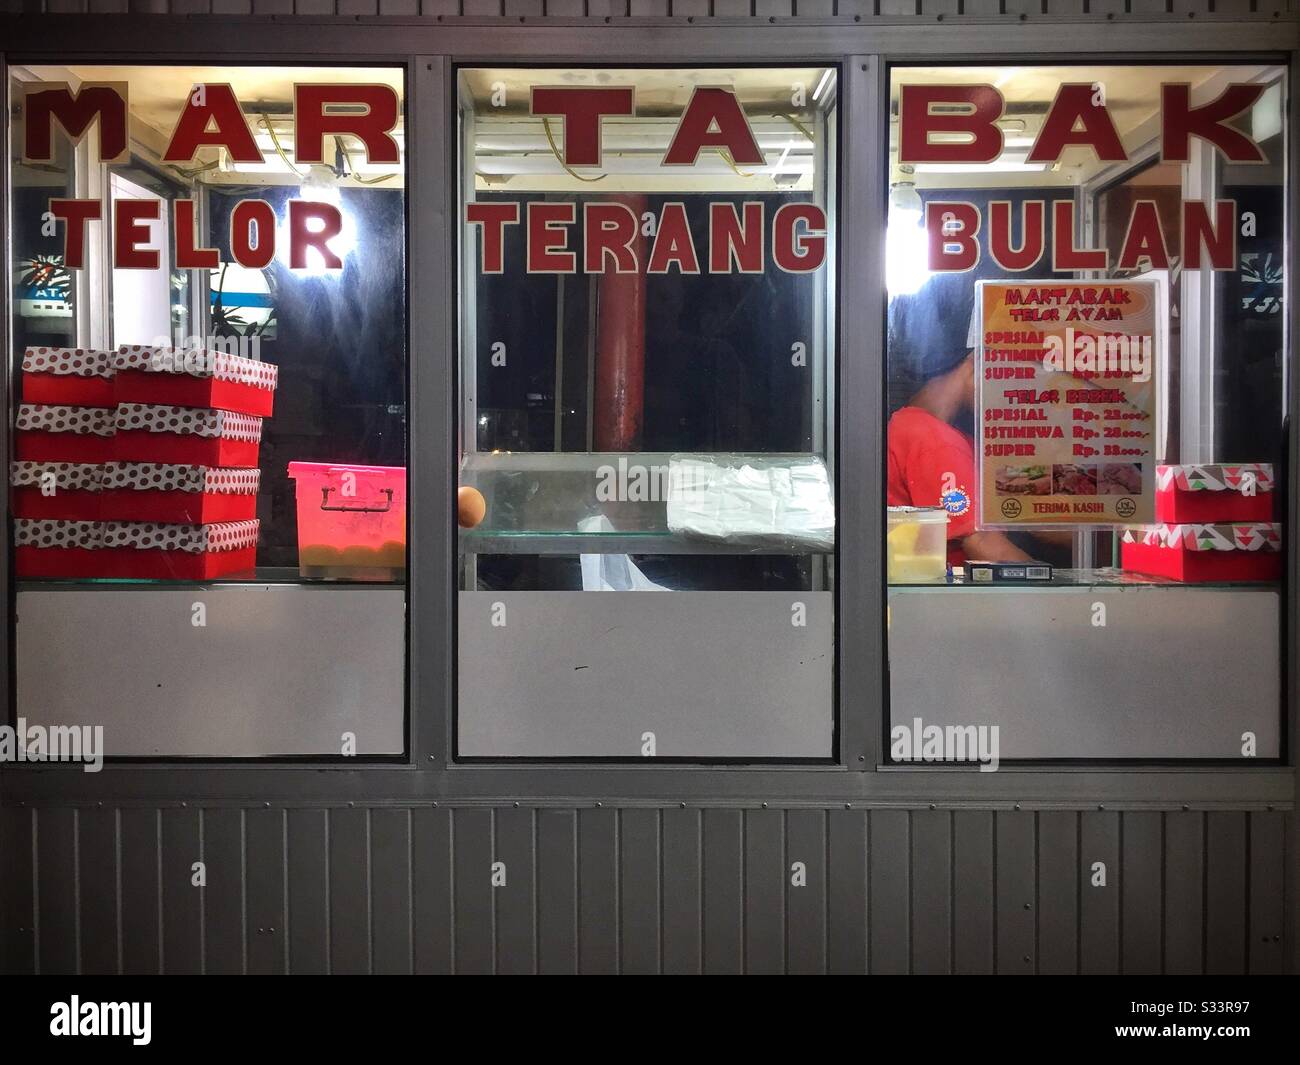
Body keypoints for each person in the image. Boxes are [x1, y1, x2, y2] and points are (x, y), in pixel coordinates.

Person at [887, 283, 1030, 565]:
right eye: (1005, 370)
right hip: (940, 602)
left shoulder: (921, 428)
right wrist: (1062, 592)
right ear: (976, 362)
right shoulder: (932, 440)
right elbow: (985, 547)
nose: (1010, 388)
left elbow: (1030, 511)